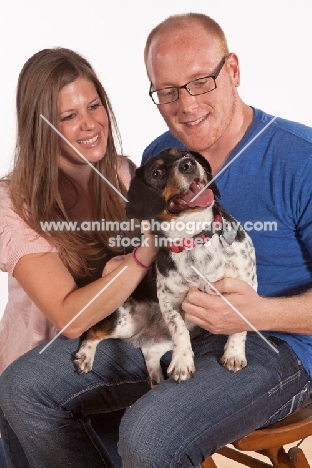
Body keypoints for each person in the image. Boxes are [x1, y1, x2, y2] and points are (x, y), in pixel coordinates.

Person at [116, 12, 312, 467]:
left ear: (234, 71)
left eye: (201, 81)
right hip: (178, 326)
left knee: (149, 433)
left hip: (281, 346)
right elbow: (155, 255)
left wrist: (257, 312)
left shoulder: (301, 159)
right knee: (29, 386)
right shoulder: (160, 157)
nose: (185, 105)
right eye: (166, 91)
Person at [0, 47, 158, 467]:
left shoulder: (125, 175)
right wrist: (138, 258)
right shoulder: (13, 204)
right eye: (69, 116)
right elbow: (70, 317)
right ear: (42, 127)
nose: (90, 124)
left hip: (110, 366)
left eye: (94, 105)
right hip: (34, 393)